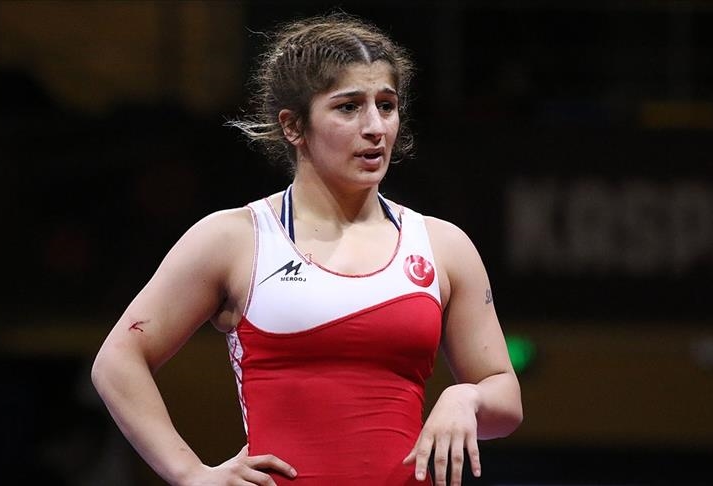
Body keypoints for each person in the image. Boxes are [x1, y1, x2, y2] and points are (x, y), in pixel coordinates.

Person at [91, 13, 522, 486]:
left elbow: (504, 396)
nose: (375, 127)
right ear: (293, 126)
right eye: (348, 107)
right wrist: (190, 473)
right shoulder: (235, 240)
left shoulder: (443, 246)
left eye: (386, 105)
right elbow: (117, 360)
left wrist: (466, 398)